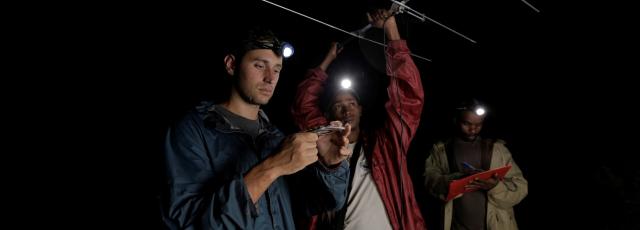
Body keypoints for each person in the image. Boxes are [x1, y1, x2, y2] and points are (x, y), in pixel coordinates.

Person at [161, 28, 353, 229]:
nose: (270, 78)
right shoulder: (193, 131)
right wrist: (272, 167)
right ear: (231, 64)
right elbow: (188, 223)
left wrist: (329, 167)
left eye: (277, 69)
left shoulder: (275, 138)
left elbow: (321, 203)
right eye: (260, 65)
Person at [291, 9, 426, 230]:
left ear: (361, 110)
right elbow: (302, 105)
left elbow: (409, 96)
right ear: (329, 114)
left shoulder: (385, 144)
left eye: (352, 104)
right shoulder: (323, 144)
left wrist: (391, 29)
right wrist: (328, 59)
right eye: (338, 105)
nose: (346, 110)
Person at [424, 98, 528, 230]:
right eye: (466, 123)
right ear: (456, 120)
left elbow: (521, 187)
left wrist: (494, 187)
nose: (473, 129)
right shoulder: (441, 151)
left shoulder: (497, 149)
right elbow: (429, 181)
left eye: (479, 124)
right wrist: (456, 179)